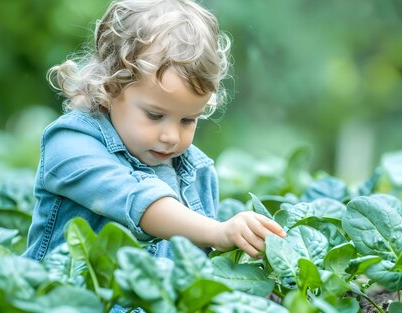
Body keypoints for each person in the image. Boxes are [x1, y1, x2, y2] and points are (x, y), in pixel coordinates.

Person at [24, 0, 285, 261]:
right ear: (111, 88)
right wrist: (217, 232)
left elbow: (197, 271)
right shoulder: (70, 144)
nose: (171, 137)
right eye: (155, 115)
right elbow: (136, 201)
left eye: (188, 120)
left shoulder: (198, 173)